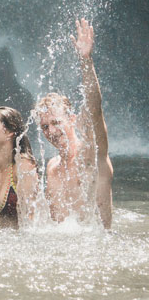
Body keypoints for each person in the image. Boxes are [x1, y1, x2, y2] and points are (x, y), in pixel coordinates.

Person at [36, 18, 113, 228]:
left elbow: (95, 109)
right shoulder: (51, 167)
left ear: (71, 119)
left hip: (96, 252)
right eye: (44, 126)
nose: (51, 130)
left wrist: (85, 60)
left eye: (55, 122)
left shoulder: (91, 155)